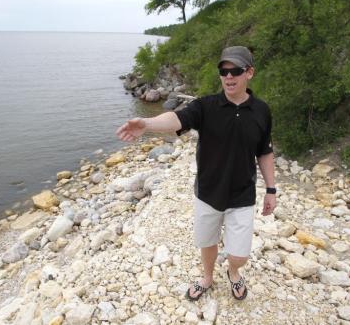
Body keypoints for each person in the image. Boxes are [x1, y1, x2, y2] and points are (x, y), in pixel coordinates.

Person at [116, 46, 276, 301]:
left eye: (235, 70)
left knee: (240, 255)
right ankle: (208, 277)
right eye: (223, 71)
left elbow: (264, 152)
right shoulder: (206, 106)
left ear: (250, 73)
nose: (229, 77)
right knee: (207, 243)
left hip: (243, 195)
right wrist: (147, 124)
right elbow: (176, 119)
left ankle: (234, 272)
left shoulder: (261, 111)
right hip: (208, 193)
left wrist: (271, 189)